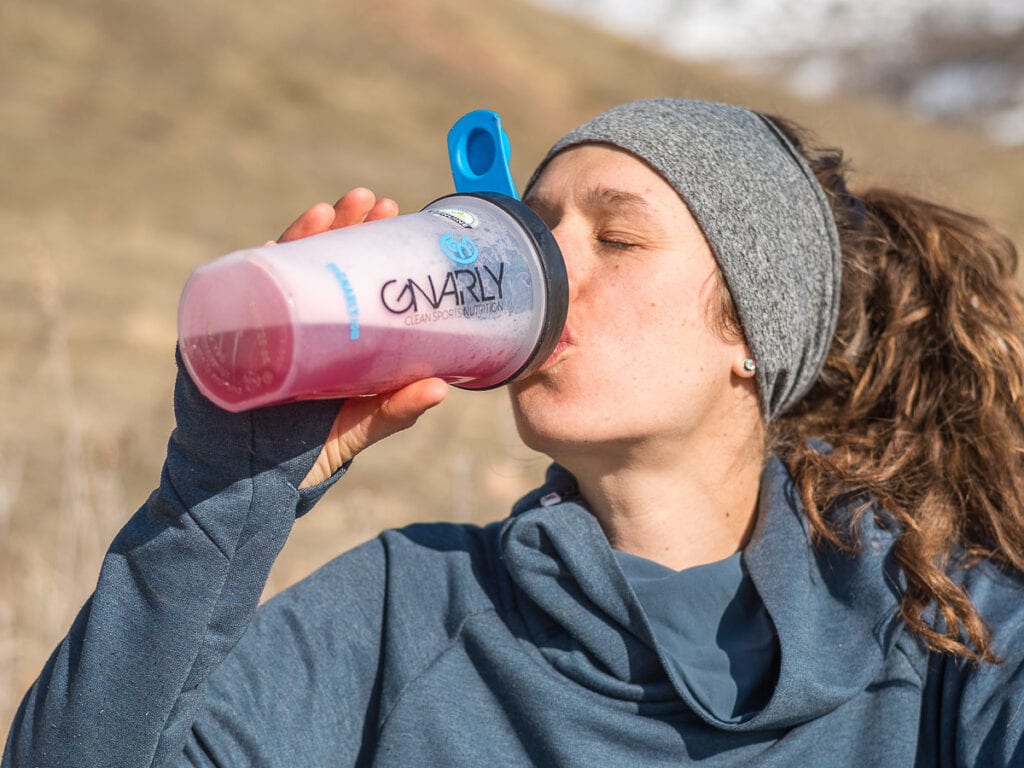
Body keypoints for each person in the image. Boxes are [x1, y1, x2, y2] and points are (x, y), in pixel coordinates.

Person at [5, 98, 1024, 767]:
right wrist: (224, 487)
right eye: (535, 233)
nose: (547, 273)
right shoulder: (405, 613)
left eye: (615, 239)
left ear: (755, 333)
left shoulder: (945, 634)